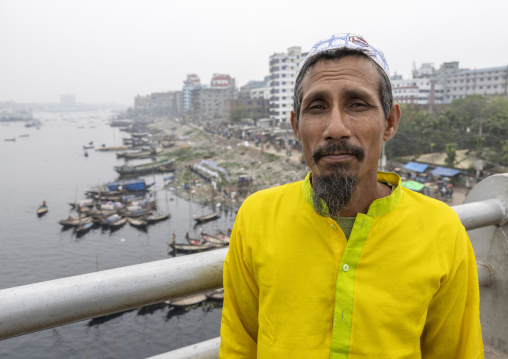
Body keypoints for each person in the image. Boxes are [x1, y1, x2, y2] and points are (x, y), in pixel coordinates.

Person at [219, 33, 484, 358]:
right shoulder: (256, 217)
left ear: (389, 122)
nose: (336, 127)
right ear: (296, 127)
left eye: (357, 104)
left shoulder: (442, 231)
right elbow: (238, 345)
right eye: (317, 107)